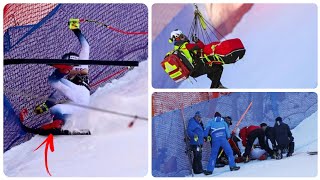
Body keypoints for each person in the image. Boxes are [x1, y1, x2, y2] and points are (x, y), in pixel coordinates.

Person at [33, 19, 90, 130]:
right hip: (83, 104)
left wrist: (74, 27)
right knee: (57, 109)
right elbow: (58, 93)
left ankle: (59, 121)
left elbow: (86, 46)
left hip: (80, 92)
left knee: (53, 80)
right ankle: (58, 123)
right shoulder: (69, 80)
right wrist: (46, 106)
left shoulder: (81, 64)